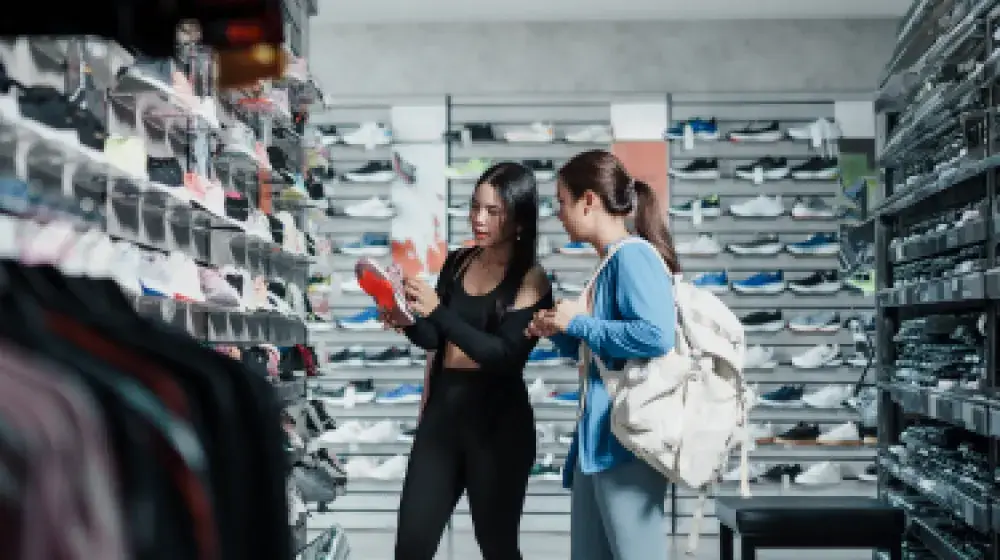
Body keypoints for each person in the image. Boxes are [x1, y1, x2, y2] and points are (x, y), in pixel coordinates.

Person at [380, 161, 554, 560]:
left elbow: (503, 357)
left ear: (520, 218)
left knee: (497, 547)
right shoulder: (459, 261)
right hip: (443, 417)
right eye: (475, 207)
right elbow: (435, 340)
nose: (479, 218)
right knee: (410, 547)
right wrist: (405, 318)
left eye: (493, 212)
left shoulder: (531, 278)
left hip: (499, 426)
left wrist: (438, 310)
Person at [526, 149, 680, 560]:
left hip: (626, 445)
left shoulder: (633, 257)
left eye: (562, 202)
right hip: (600, 444)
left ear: (588, 201)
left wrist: (577, 323)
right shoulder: (611, 263)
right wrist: (559, 330)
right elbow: (605, 350)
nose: (558, 214)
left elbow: (655, 335)